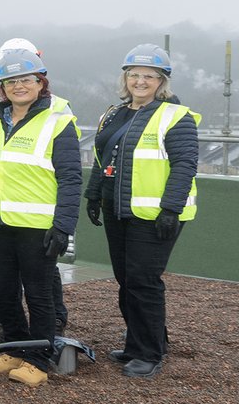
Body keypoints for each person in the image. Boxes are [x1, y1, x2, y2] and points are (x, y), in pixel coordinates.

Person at [0, 50, 81, 387]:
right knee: (2, 289)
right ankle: (14, 347)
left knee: (39, 293)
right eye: (11, 81)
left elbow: (71, 178)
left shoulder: (58, 122)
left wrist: (64, 225)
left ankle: (39, 357)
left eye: (26, 80)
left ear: (41, 83)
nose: (19, 86)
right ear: (2, 87)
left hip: (36, 226)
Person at [84, 44, 199, 379]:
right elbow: (101, 158)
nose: (140, 81)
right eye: (134, 74)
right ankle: (139, 342)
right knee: (125, 280)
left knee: (143, 281)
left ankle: (149, 354)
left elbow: (184, 166)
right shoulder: (114, 114)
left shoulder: (176, 116)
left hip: (154, 216)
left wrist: (170, 209)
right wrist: (94, 196)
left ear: (162, 81)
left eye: (149, 75)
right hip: (118, 209)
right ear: (125, 78)